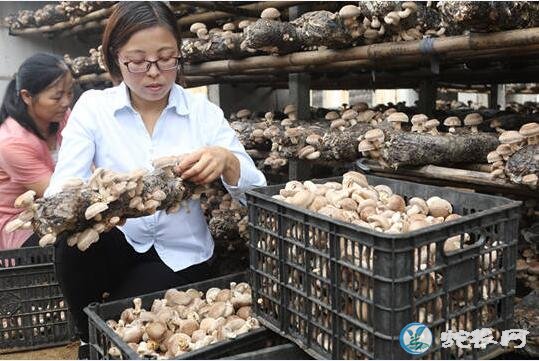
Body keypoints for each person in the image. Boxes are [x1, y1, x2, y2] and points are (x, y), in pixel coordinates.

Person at [44, 2, 267, 356]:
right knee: (71, 241)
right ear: (116, 57)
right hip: (117, 245)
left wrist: (226, 161)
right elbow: (61, 190)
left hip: (180, 256)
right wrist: (101, 203)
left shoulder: (202, 114)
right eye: (138, 61)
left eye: (167, 58)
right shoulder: (94, 108)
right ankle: (89, 338)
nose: (155, 73)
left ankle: (97, 340)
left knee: (126, 321)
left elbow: (257, 193)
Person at [0, 53, 73, 250]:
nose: (66, 102)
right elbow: (56, 194)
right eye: (57, 96)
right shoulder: (11, 142)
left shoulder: (62, 116)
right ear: (27, 96)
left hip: (58, 215)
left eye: (70, 93)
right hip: (21, 226)